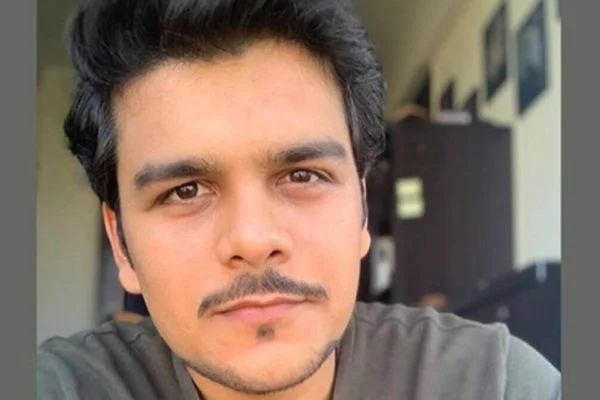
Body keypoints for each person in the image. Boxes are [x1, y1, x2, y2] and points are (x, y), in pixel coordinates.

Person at [37, 0, 561, 399]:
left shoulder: (493, 382)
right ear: (121, 244)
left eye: (303, 175)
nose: (253, 239)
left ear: (361, 209)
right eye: (185, 190)